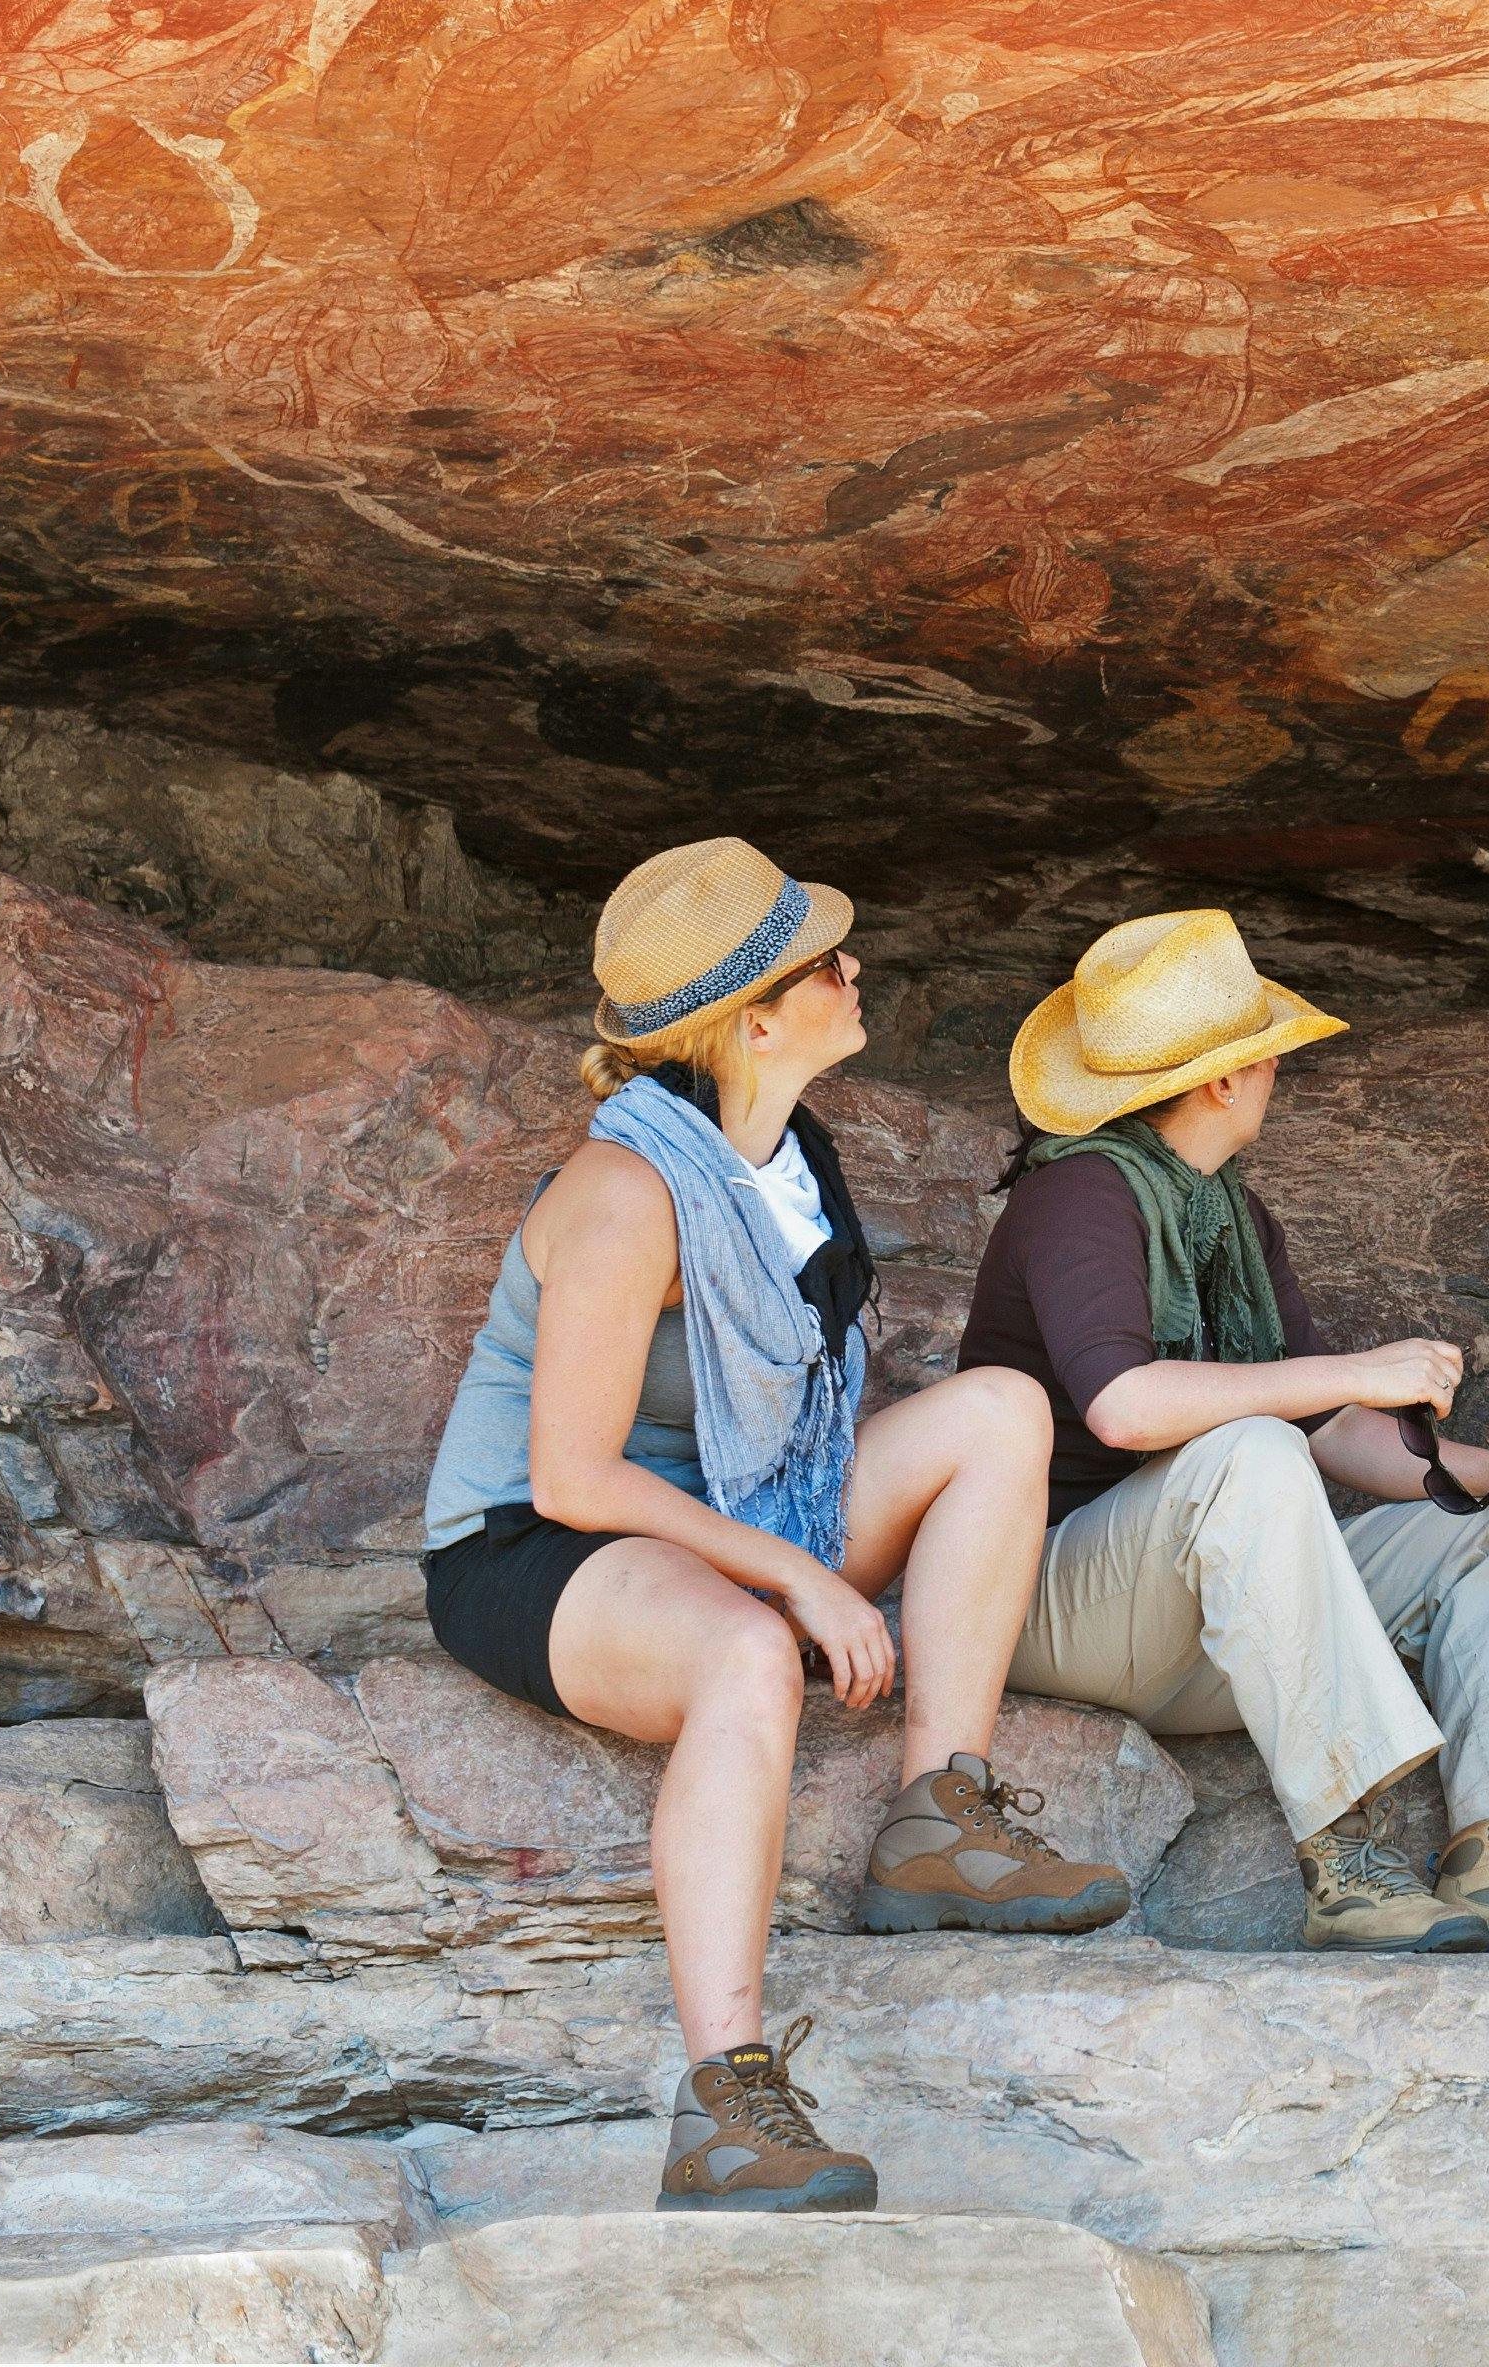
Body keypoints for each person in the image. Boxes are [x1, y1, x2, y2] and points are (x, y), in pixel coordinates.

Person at [418, 839, 1118, 2219]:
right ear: (752, 1017)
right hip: (534, 1548)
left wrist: (794, 1552)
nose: (858, 972)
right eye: (826, 962)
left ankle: (941, 1817)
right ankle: (727, 2102)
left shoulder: (788, 1161)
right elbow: (570, 1477)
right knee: (744, 1655)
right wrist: (803, 1579)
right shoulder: (625, 1196)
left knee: (998, 1413)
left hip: (740, 1509)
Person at [963, 907, 1489, 1952]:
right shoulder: (1080, 1194)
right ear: (1224, 1079)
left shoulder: (1225, 1211)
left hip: (1196, 1616)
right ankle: (1348, 1858)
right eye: (1266, 1056)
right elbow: (1125, 1405)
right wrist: (1357, 1369)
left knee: (1472, 1524)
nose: (1277, 1074)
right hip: (1055, 1601)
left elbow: (1327, 1425)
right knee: (1248, 1448)